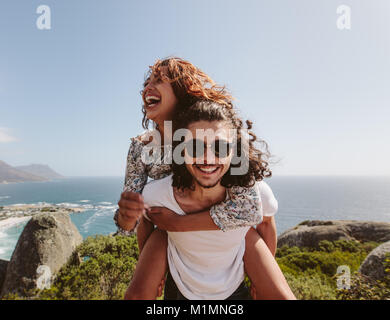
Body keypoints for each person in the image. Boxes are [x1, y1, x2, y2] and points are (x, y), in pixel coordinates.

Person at [115, 57, 279, 298]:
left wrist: (177, 223)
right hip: (171, 235)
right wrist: (127, 220)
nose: (147, 87)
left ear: (181, 91)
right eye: (146, 82)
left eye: (159, 80)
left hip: (222, 232)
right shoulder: (141, 147)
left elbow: (246, 208)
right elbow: (137, 216)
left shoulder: (209, 130)